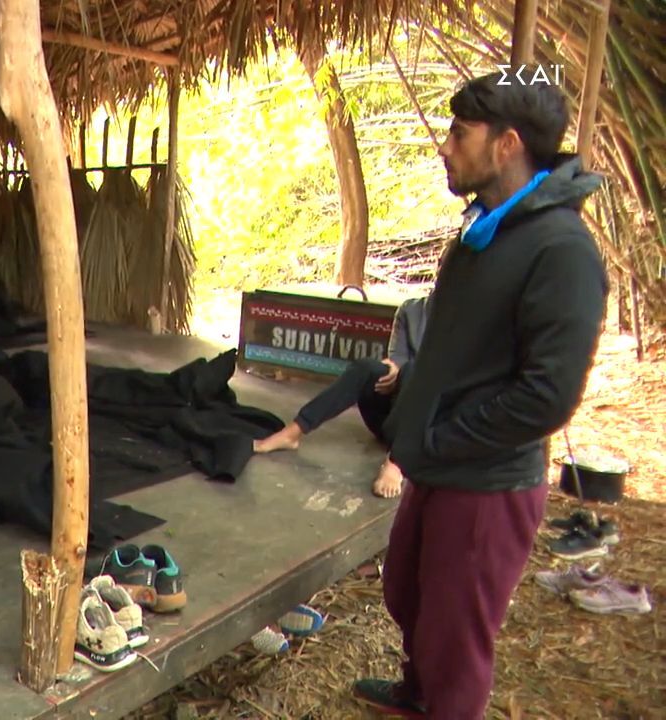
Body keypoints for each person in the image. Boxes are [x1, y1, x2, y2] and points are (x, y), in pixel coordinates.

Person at [352, 70, 607, 719]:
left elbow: (547, 397)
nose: (445, 146)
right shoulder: (487, 232)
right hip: (439, 462)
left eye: (460, 133)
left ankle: (445, 703)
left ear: (506, 144)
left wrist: (441, 438)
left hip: (488, 479)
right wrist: (411, 422)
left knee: (456, 638)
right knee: (407, 593)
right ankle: (419, 694)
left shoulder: (562, 250)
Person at [253, 295, 429, 498]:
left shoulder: (461, 319)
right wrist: (395, 368)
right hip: (393, 418)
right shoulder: (411, 309)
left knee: (416, 370)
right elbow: (396, 361)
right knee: (367, 367)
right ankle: (292, 433)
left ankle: (397, 462)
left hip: (427, 429)